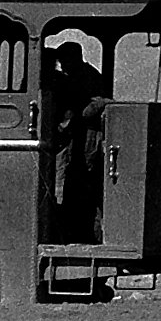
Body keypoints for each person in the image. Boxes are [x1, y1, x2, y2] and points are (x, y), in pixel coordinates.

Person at [55, 42, 108, 244]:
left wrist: (70, 119)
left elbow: (88, 109)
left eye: (64, 61)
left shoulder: (87, 77)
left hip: (87, 139)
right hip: (80, 138)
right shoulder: (84, 75)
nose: (62, 66)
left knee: (82, 183)